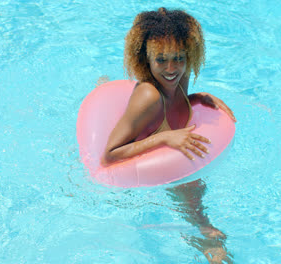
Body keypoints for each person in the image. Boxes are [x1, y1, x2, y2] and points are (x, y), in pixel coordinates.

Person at [100, 8, 235, 263]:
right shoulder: (148, 98)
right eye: (161, 60)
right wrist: (163, 139)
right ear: (147, 59)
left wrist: (195, 98)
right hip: (141, 156)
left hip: (154, 126)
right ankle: (205, 235)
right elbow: (108, 156)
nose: (171, 68)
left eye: (179, 58)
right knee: (191, 190)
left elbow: (174, 100)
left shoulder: (179, 79)